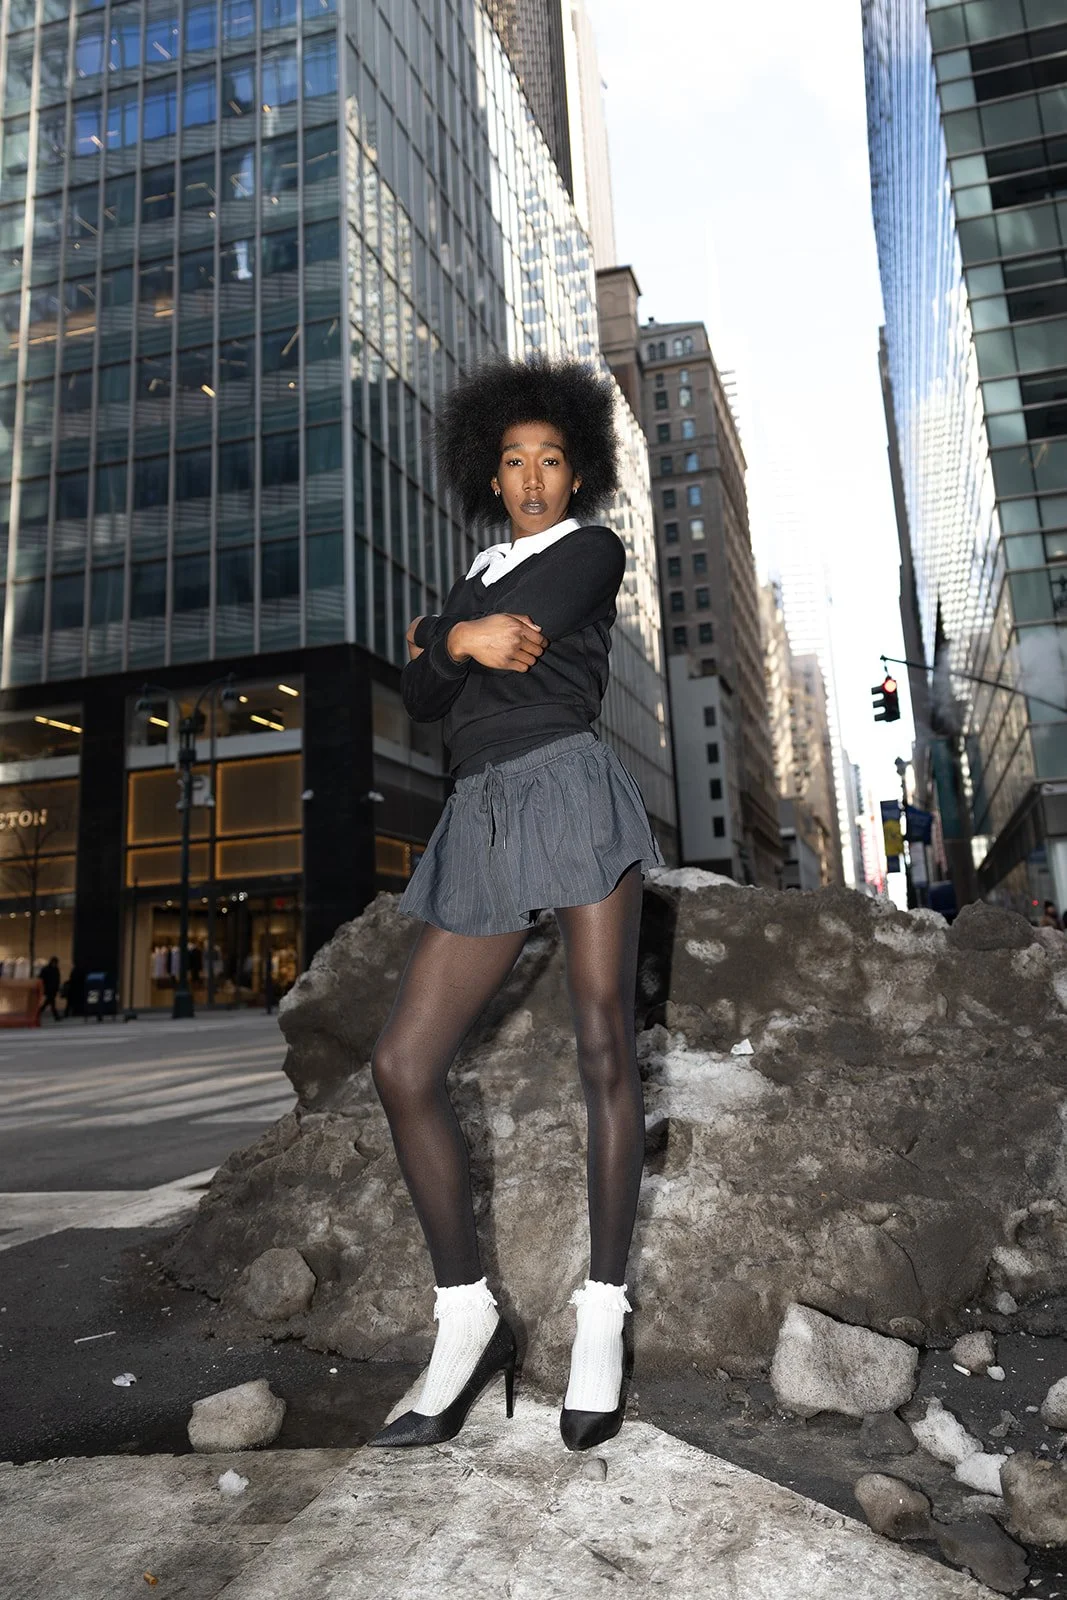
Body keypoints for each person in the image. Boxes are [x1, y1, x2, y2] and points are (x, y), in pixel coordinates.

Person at [368, 357, 665, 1455]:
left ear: (573, 471)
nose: (532, 476)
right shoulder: (477, 572)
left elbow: (516, 635)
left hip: (571, 790)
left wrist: (442, 634)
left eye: (550, 460)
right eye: (513, 460)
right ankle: (466, 1316)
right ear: (489, 474)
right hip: (483, 810)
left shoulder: (590, 549)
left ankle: (602, 1313)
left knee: (602, 1051)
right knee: (403, 1064)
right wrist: (451, 640)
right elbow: (426, 688)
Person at [37, 956, 62, 1022]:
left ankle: (38, 1013)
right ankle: (56, 1016)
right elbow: (41, 978)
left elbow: (57, 980)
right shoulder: (47, 969)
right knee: (51, 1002)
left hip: (52, 989)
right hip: (49, 989)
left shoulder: (55, 969)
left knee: (48, 1002)